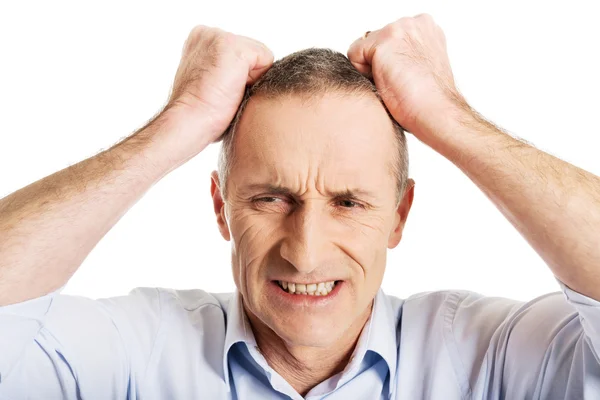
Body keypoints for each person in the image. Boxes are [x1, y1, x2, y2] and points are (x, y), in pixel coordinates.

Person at [0, 13, 599, 400]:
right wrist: (179, 125)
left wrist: (448, 118)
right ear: (220, 207)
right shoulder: (132, 354)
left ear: (399, 214)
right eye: (270, 198)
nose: (305, 251)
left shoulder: (492, 358)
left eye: (348, 202)